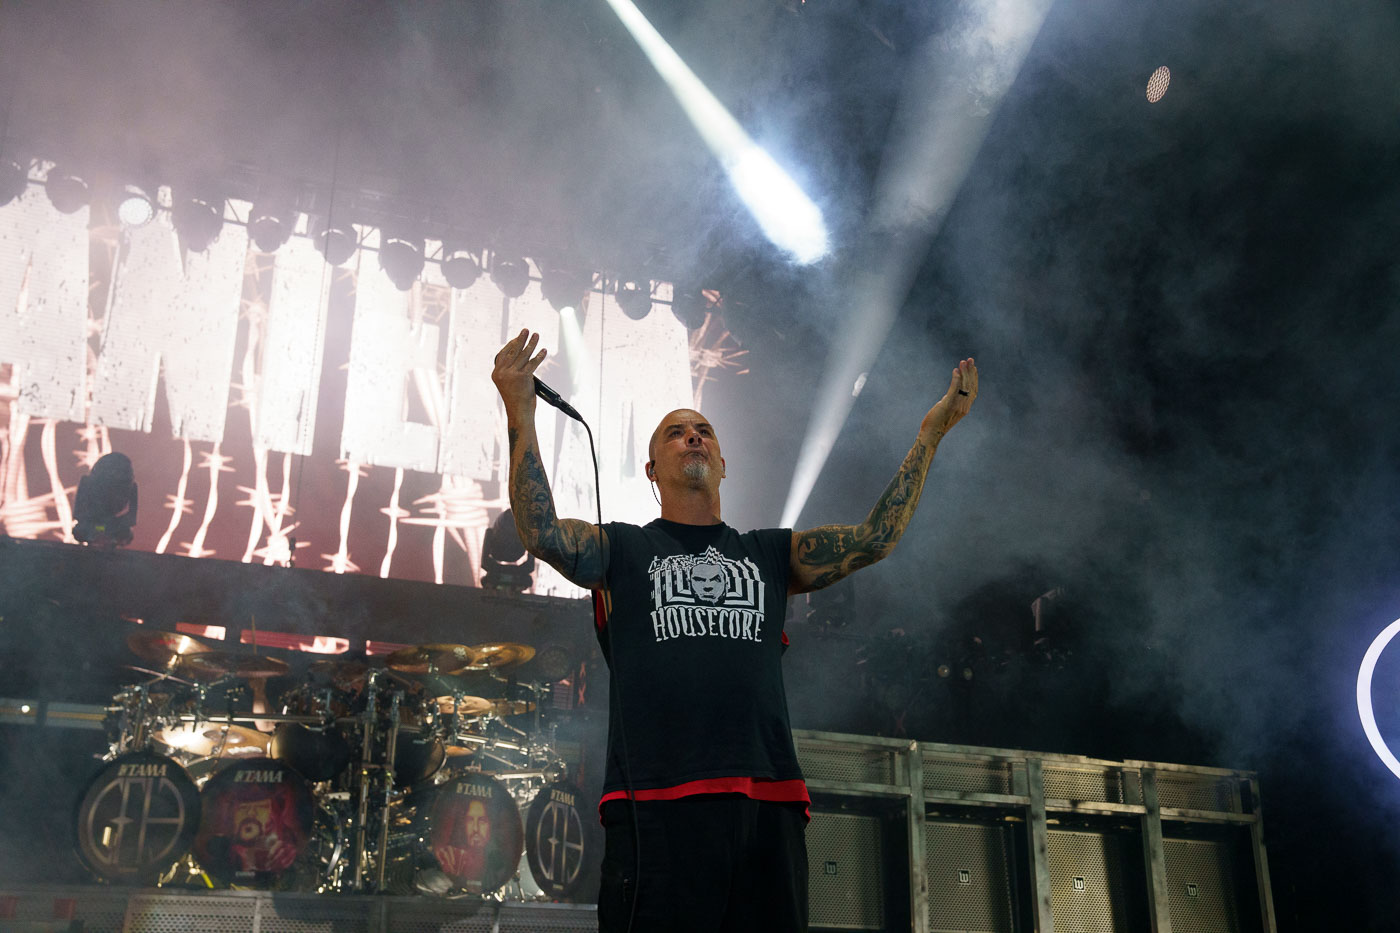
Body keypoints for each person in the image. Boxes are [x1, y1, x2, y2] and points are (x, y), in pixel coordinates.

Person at [491, 329, 978, 933]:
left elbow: (876, 538)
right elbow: (540, 532)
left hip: (766, 806)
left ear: (722, 464)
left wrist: (929, 436)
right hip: (659, 809)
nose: (693, 434)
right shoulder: (623, 548)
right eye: (676, 431)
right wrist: (520, 408)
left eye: (703, 430)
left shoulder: (770, 555)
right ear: (651, 470)